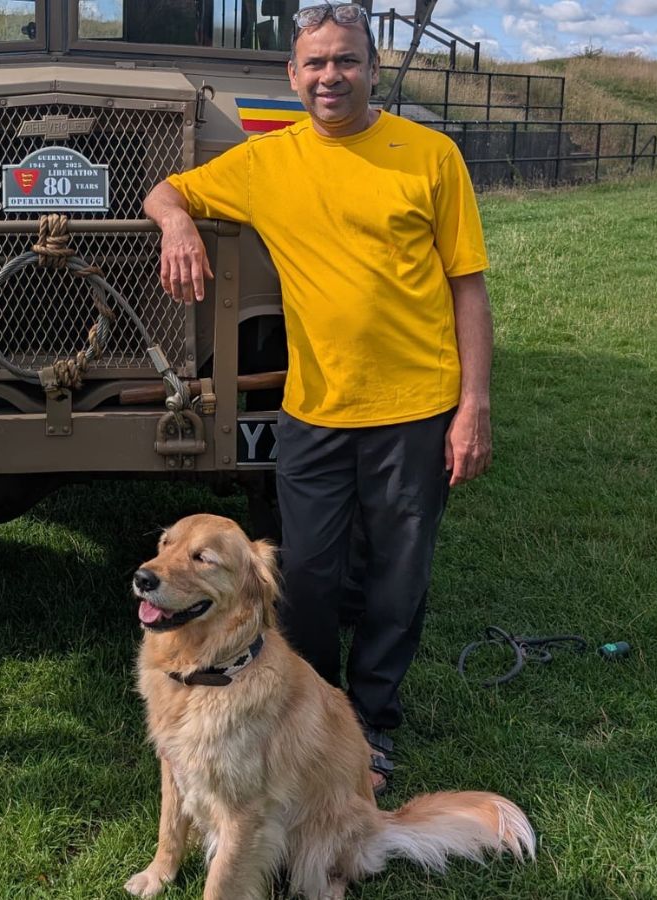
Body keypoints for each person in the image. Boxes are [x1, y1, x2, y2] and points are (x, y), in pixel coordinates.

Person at [143, 2, 493, 795]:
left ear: (373, 68)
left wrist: (472, 405)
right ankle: (317, 713)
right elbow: (164, 190)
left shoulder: (430, 155)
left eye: (346, 61)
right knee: (307, 577)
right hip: (316, 411)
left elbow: (467, 287)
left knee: (398, 578)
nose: (330, 75)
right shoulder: (268, 162)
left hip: (416, 405)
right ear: (292, 74)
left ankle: (373, 723)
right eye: (315, 63)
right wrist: (178, 229)